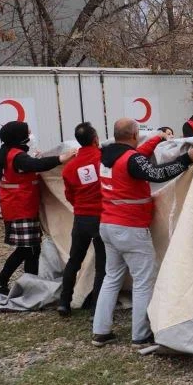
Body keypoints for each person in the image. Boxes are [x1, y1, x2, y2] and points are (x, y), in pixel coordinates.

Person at [92, 119, 193, 348]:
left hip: (108, 225)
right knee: (143, 281)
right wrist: (186, 159)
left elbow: (136, 159)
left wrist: (156, 138)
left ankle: (100, 331)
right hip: (130, 228)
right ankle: (140, 336)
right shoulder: (130, 160)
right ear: (134, 134)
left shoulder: (107, 156)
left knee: (111, 278)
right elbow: (156, 173)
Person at [0, 122, 76, 295]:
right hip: (20, 209)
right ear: (18, 136)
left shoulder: (11, 152)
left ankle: (31, 283)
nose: (30, 135)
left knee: (33, 248)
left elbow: (30, 165)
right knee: (26, 249)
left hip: (21, 206)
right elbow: (37, 166)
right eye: (27, 132)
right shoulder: (17, 156)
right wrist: (62, 158)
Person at [58, 122, 106, 317]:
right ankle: (97, 307)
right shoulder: (103, 159)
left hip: (81, 218)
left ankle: (64, 302)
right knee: (102, 265)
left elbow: (69, 195)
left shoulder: (69, 168)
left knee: (74, 260)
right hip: (102, 217)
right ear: (95, 139)